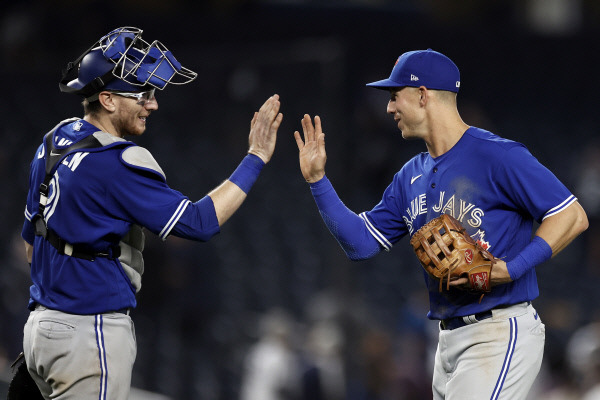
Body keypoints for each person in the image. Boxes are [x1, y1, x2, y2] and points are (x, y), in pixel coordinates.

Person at [294, 48, 588, 399]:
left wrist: (513, 268)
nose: (389, 108)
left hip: (497, 331)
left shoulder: (497, 155)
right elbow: (360, 243)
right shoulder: (409, 177)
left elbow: (571, 215)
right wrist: (317, 181)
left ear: (422, 95)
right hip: (446, 341)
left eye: (394, 95)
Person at [20, 27, 282, 399]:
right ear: (108, 99)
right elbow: (198, 222)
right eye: (143, 93)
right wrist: (255, 157)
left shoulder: (54, 141)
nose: (153, 103)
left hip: (39, 331)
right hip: (87, 332)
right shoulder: (116, 162)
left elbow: (31, 248)